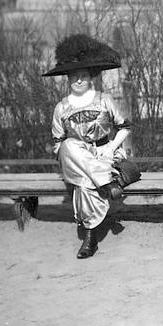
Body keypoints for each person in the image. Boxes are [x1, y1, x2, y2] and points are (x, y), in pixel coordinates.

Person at [44, 34, 132, 259]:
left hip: (105, 154)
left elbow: (125, 127)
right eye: (74, 76)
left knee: (83, 185)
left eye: (83, 75)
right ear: (68, 78)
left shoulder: (104, 99)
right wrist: (76, 157)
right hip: (77, 160)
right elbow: (57, 143)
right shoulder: (61, 107)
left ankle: (89, 237)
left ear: (91, 76)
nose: (79, 80)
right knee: (69, 145)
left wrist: (110, 148)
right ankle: (106, 184)